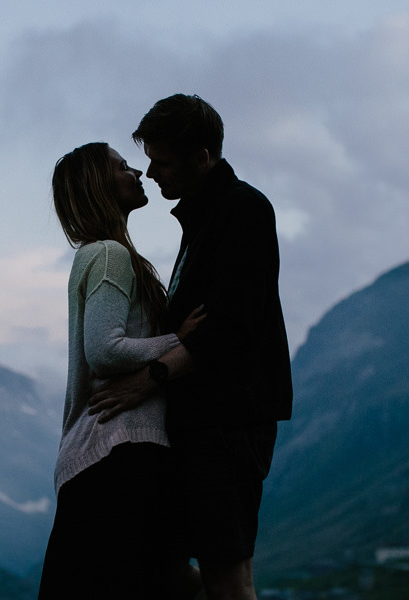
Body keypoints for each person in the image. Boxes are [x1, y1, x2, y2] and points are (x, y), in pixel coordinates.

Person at [88, 94, 293, 600]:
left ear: (201, 157)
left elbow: (230, 330)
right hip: (197, 425)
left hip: (227, 425)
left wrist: (148, 379)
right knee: (169, 569)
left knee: (228, 574)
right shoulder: (202, 218)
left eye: (161, 160)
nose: (151, 171)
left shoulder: (243, 210)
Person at [37, 142, 205, 600]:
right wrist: (182, 342)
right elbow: (105, 351)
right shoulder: (110, 254)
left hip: (103, 456)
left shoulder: (100, 254)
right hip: (119, 452)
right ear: (99, 185)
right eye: (121, 166)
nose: (138, 172)